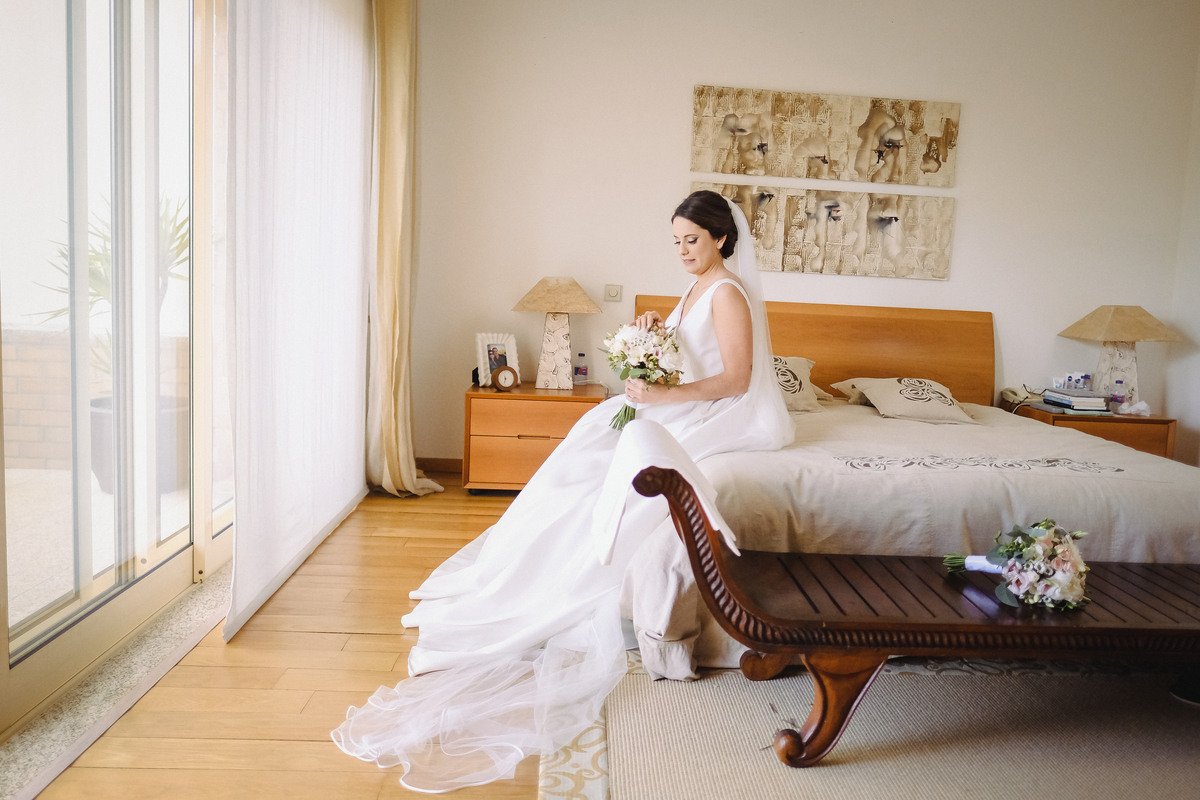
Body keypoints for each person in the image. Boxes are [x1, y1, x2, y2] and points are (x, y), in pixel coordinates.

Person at [332, 191, 793, 793]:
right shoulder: (697, 287)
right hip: (674, 402)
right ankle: (521, 563)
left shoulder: (728, 293)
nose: (683, 251)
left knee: (598, 464)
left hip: (708, 413)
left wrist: (661, 397)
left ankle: (552, 577)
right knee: (584, 445)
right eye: (676, 241)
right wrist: (654, 332)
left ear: (722, 240)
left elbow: (735, 379)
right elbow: (687, 350)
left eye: (693, 241)